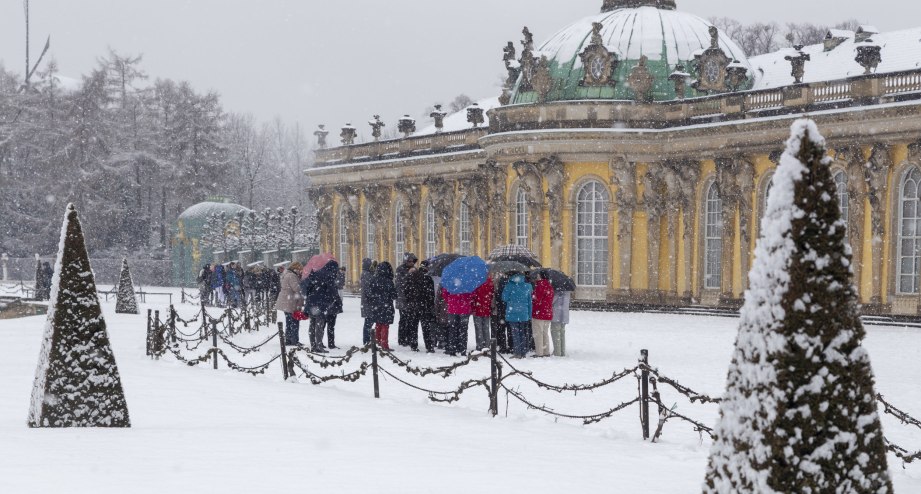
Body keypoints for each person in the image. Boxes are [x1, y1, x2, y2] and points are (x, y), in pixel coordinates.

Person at [301, 260, 340, 353]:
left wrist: (310, 297)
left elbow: (307, 287)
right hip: (320, 303)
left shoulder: (316, 273)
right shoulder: (329, 275)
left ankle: (313, 346)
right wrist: (336, 300)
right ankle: (319, 346)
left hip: (311, 302)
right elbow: (332, 290)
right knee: (319, 324)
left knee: (312, 324)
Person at [403, 263, 437, 352]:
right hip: (424, 307)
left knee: (413, 327)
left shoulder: (410, 277)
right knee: (426, 328)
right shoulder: (428, 279)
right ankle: (429, 346)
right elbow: (431, 295)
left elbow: (406, 292)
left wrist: (410, 302)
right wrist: (430, 305)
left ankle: (414, 346)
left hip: (413, 306)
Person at [502, 272, 533, 359]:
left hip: (513, 313)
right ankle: (523, 352)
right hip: (524, 313)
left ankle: (517, 353)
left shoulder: (509, 285)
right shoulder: (527, 286)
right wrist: (529, 314)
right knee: (522, 333)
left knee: (515, 333)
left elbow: (504, 298)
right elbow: (529, 301)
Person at [367, 261, 397, 351]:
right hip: (386, 305)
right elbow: (394, 295)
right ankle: (384, 344)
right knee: (385, 325)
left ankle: (377, 343)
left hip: (376, 306)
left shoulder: (373, 280)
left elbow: (369, 293)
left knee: (378, 324)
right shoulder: (389, 281)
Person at [275, 261, 305, 346]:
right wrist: (302, 283)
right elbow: (296, 288)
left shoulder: (287, 274)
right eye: (300, 269)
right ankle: (294, 340)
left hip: (287, 301)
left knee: (289, 322)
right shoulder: (292, 276)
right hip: (291, 301)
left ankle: (288, 340)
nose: (300, 271)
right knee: (294, 321)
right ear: (296, 268)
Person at [394, 252, 418, 347]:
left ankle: (409, 338)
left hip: (412, 299)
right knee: (403, 319)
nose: (411, 263)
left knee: (411, 320)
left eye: (413, 261)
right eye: (409, 261)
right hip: (402, 299)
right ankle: (402, 339)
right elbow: (400, 284)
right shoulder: (400, 269)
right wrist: (409, 274)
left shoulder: (415, 269)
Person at [442, 287, 473, 356]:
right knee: (463, 330)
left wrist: (450, 300)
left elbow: (444, 294)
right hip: (464, 308)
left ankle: (452, 349)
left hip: (452, 308)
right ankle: (463, 349)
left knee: (452, 330)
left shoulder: (449, 282)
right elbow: (472, 295)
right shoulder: (467, 282)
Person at [531, 270, 554, 358]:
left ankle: (539, 353)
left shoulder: (540, 285)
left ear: (541, 276)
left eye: (538, 275)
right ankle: (546, 351)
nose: (537, 276)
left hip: (539, 313)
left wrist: (532, 296)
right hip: (547, 312)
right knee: (545, 333)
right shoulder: (549, 286)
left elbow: (537, 299)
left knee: (538, 333)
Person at [471, 276, 494, 351]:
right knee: (486, 328)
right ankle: (487, 344)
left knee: (478, 328)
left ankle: (480, 345)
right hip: (486, 308)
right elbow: (491, 295)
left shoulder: (476, 282)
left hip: (478, 308)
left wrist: (473, 307)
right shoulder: (490, 282)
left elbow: (473, 296)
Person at [491, 273, 512, 353]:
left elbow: (499, 296)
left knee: (501, 329)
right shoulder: (512, 283)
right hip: (510, 309)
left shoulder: (501, 282)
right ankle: (511, 346)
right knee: (510, 329)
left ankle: (502, 346)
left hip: (502, 309)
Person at [360, 259, 376, 345]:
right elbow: (368, 290)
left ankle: (367, 340)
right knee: (368, 322)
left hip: (367, 303)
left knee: (368, 322)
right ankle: (366, 340)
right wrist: (374, 296)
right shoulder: (367, 275)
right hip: (369, 303)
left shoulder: (367, 274)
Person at [551, 288, 572, 357]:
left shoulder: (557, 293)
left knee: (556, 334)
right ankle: (562, 352)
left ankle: (557, 352)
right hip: (564, 316)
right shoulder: (567, 292)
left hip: (557, 315)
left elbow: (551, 301)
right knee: (562, 334)